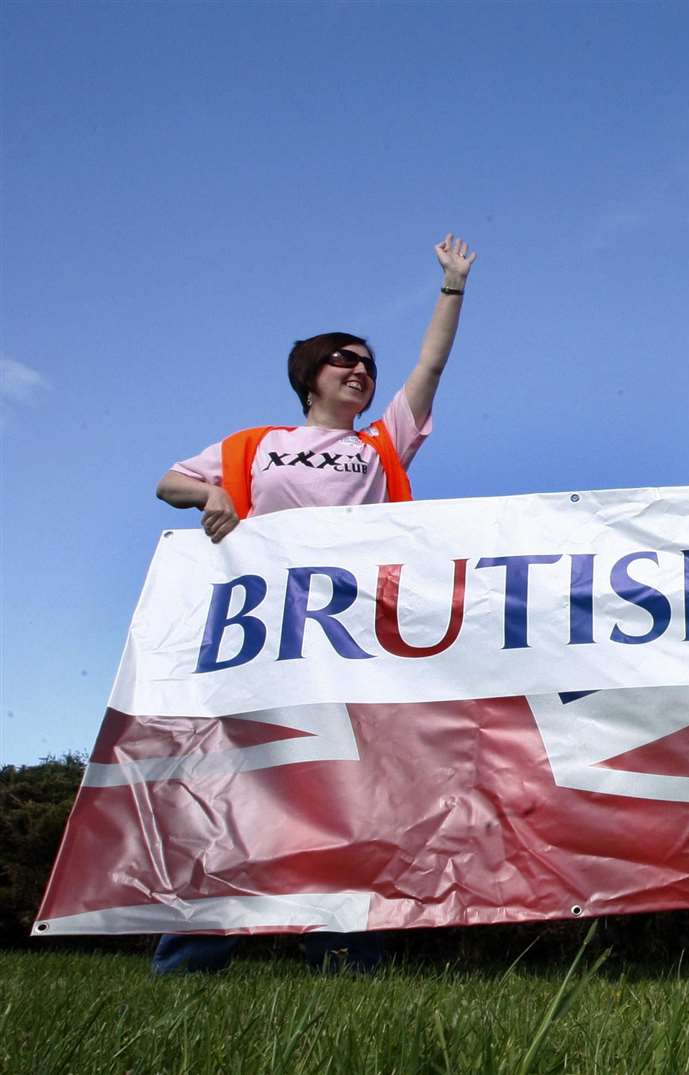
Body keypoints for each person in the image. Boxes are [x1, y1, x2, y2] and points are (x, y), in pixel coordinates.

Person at [148, 233, 477, 973]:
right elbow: (168, 481)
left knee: (349, 791)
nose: (360, 372)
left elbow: (429, 367)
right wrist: (213, 494)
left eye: (367, 365)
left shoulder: (381, 447)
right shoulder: (253, 444)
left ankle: (347, 954)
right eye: (345, 361)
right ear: (310, 379)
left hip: (352, 639)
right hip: (262, 636)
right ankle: (192, 956)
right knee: (238, 785)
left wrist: (451, 287)